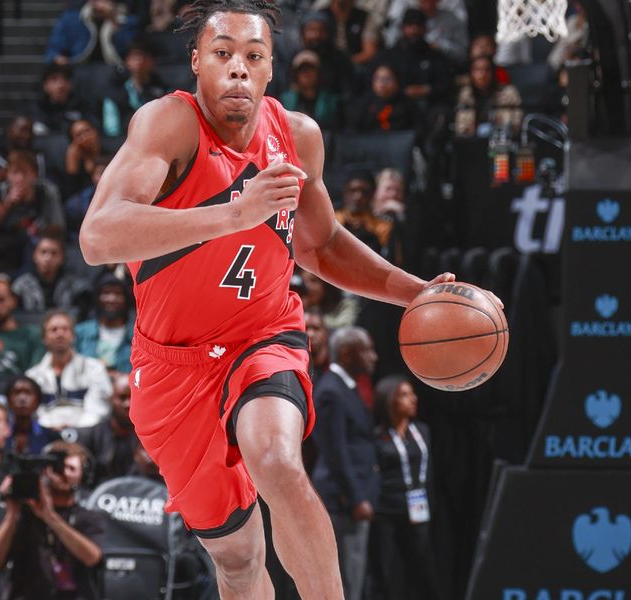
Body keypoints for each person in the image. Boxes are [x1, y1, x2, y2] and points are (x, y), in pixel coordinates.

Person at [77, 1, 499, 597]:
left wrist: (418, 294)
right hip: (172, 365)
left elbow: (321, 246)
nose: (238, 70)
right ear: (197, 62)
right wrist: (233, 215)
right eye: (223, 54)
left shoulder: (297, 137)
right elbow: (98, 237)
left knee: (276, 460)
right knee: (239, 561)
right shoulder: (167, 124)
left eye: (253, 56)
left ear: (271, 68)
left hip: (263, 336)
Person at [0, 441, 106, 600]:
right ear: (45, 471)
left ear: (83, 474)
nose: (64, 473)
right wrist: (11, 515)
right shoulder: (21, 513)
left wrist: (50, 517)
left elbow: (93, 558)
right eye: (57, 467)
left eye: (71, 468)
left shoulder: (88, 516)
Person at [311, 327, 380, 600]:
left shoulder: (345, 388)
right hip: (342, 500)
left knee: (355, 575)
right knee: (345, 580)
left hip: (355, 496)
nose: (373, 357)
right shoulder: (331, 391)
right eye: (367, 350)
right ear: (346, 353)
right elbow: (334, 451)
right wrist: (355, 498)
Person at [369, 375, 441, 600]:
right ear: (389, 401)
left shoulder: (422, 431)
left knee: (424, 573)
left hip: (417, 512)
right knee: (383, 573)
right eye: (404, 395)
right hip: (386, 512)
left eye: (412, 394)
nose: (413, 399)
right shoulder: (377, 437)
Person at [26, 310, 113, 430]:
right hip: (47, 431)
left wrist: (75, 429)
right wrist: (51, 427)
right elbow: (36, 413)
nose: (60, 334)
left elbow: (99, 408)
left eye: (65, 329)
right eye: (54, 330)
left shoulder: (94, 368)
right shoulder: (33, 376)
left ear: (73, 336)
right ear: (44, 338)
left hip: (86, 431)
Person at [73, 371, 137, 485]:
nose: (128, 404)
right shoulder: (89, 436)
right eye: (122, 398)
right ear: (110, 398)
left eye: (133, 397)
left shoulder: (150, 438)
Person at [11, 230, 89, 316]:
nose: (48, 258)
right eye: (43, 252)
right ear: (34, 256)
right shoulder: (20, 286)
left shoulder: (75, 287)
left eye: (54, 253)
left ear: (62, 258)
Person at [45, 0, 140, 67]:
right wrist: (58, 59)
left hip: (114, 71)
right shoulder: (71, 18)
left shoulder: (128, 21)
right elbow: (53, 50)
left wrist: (113, 20)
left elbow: (127, 51)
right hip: (78, 70)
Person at [73, 274, 134, 373]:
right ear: (97, 298)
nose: (112, 299)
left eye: (118, 294)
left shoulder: (136, 334)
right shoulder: (81, 332)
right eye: (106, 293)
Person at [455, 55, 523, 137]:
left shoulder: (509, 92)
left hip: (502, 139)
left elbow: (516, 124)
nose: (482, 75)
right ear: (471, 73)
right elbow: (461, 127)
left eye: (487, 70)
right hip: (472, 141)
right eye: (478, 70)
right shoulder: (466, 94)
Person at [6, 375, 61, 455]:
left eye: (28, 393)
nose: (22, 398)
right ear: (8, 400)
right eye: (16, 393)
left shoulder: (51, 436)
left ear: (38, 401)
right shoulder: (0, 435)